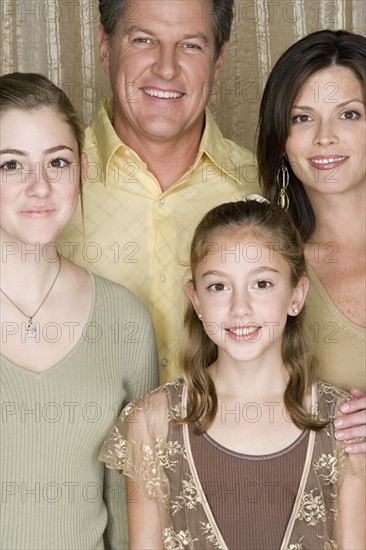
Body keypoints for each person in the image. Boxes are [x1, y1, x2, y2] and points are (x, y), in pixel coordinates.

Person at [99, 198, 365, 549]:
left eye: (262, 284)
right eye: (219, 287)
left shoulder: (344, 425)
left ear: (296, 296)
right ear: (196, 300)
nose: (240, 308)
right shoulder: (153, 422)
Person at [59, 0, 260, 384]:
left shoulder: (266, 185)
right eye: (144, 40)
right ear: (105, 46)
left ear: (218, 61)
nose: (166, 68)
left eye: (191, 45)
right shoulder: (45, 186)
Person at [0, 72, 158, 549]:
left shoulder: (123, 318)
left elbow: (134, 499)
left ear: (82, 172)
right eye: (11, 165)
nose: (39, 186)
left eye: (57, 162)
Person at [256, 29, 366, 452]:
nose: (324, 136)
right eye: (302, 117)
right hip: (311, 514)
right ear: (281, 139)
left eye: (349, 114)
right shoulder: (267, 269)